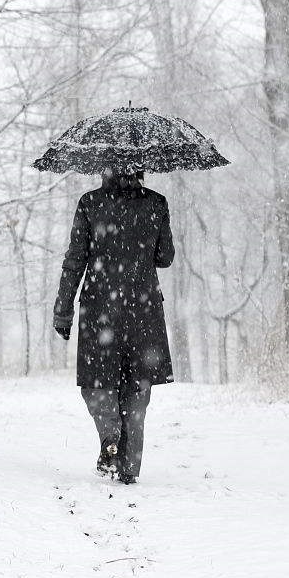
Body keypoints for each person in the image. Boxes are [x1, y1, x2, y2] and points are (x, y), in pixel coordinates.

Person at [53, 169, 175, 485]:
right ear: (142, 167)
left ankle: (109, 433)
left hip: (99, 307)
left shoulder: (90, 203)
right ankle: (129, 467)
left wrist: (63, 310)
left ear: (103, 167)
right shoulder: (157, 203)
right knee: (138, 385)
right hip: (142, 307)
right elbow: (165, 258)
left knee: (96, 381)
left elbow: (74, 260)